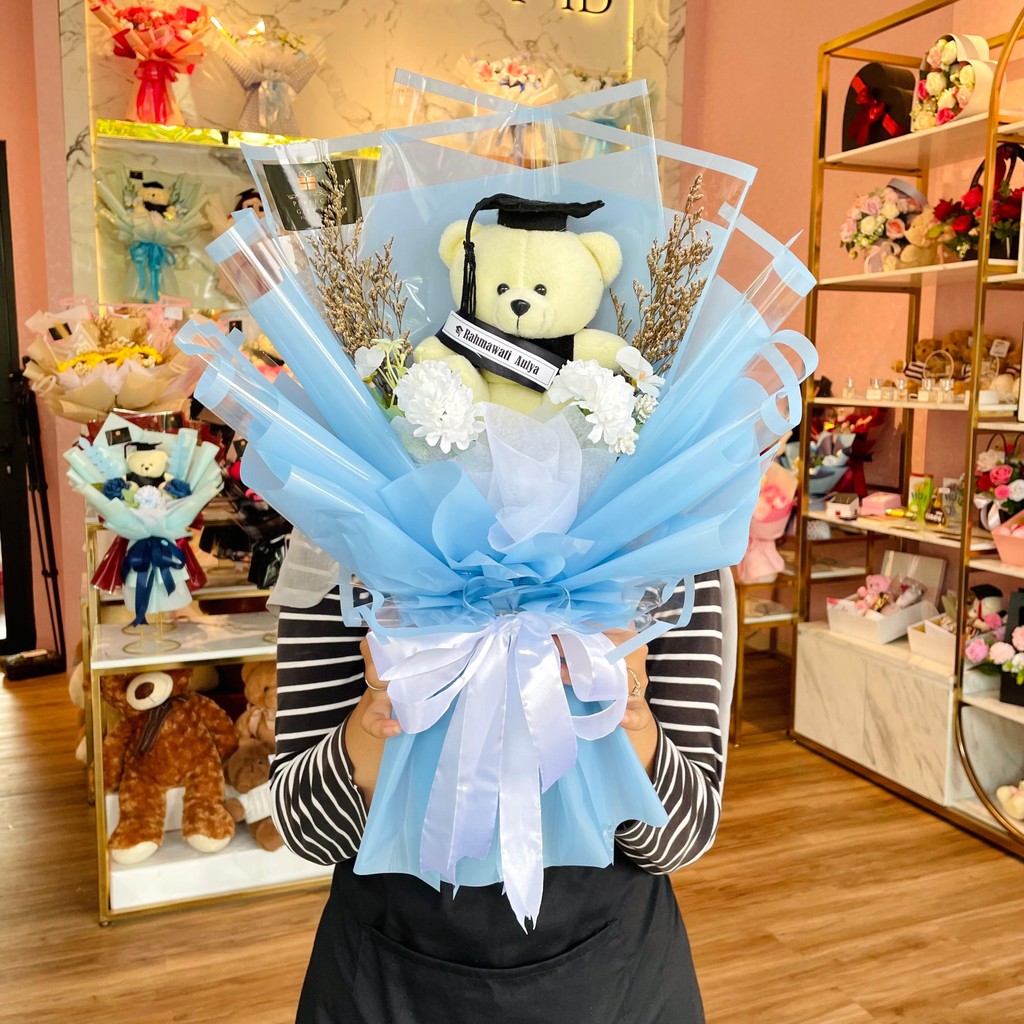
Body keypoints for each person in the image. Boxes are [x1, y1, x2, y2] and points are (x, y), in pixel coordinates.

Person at [270, 548, 731, 1024]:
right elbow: (309, 831)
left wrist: (624, 706)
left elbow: (681, 837)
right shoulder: (338, 530)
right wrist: (384, 707)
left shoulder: (669, 538)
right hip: (386, 964)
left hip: (615, 970)